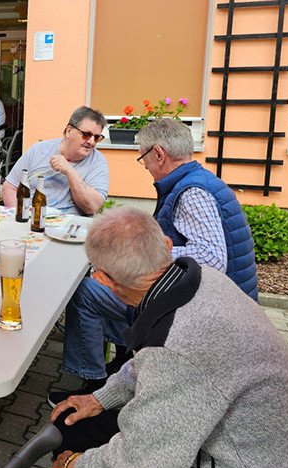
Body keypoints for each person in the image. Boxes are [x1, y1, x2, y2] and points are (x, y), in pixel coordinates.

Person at [39, 208, 288, 468]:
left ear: (102, 280)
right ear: (167, 246)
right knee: (71, 423)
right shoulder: (199, 278)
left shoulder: (177, 346)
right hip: (242, 451)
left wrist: (74, 466)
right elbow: (147, 363)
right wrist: (100, 398)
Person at [49, 118, 258, 405]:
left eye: (143, 157)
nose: (145, 165)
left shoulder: (192, 192)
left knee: (86, 293)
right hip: (221, 302)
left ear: (158, 154)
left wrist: (139, 255)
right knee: (113, 286)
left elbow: (213, 257)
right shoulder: (199, 181)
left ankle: (95, 382)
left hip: (205, 312)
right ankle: (124, 368)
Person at [2, 106, 109, 216]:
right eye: (86, 135)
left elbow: (93, 207)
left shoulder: (98, 162)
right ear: (69, 131)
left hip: (67, 227)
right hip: (30, 219)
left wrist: (69, 171)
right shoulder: (38, 150)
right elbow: (10, 188)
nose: (91, 142)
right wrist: (20, 217)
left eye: (96, 137)